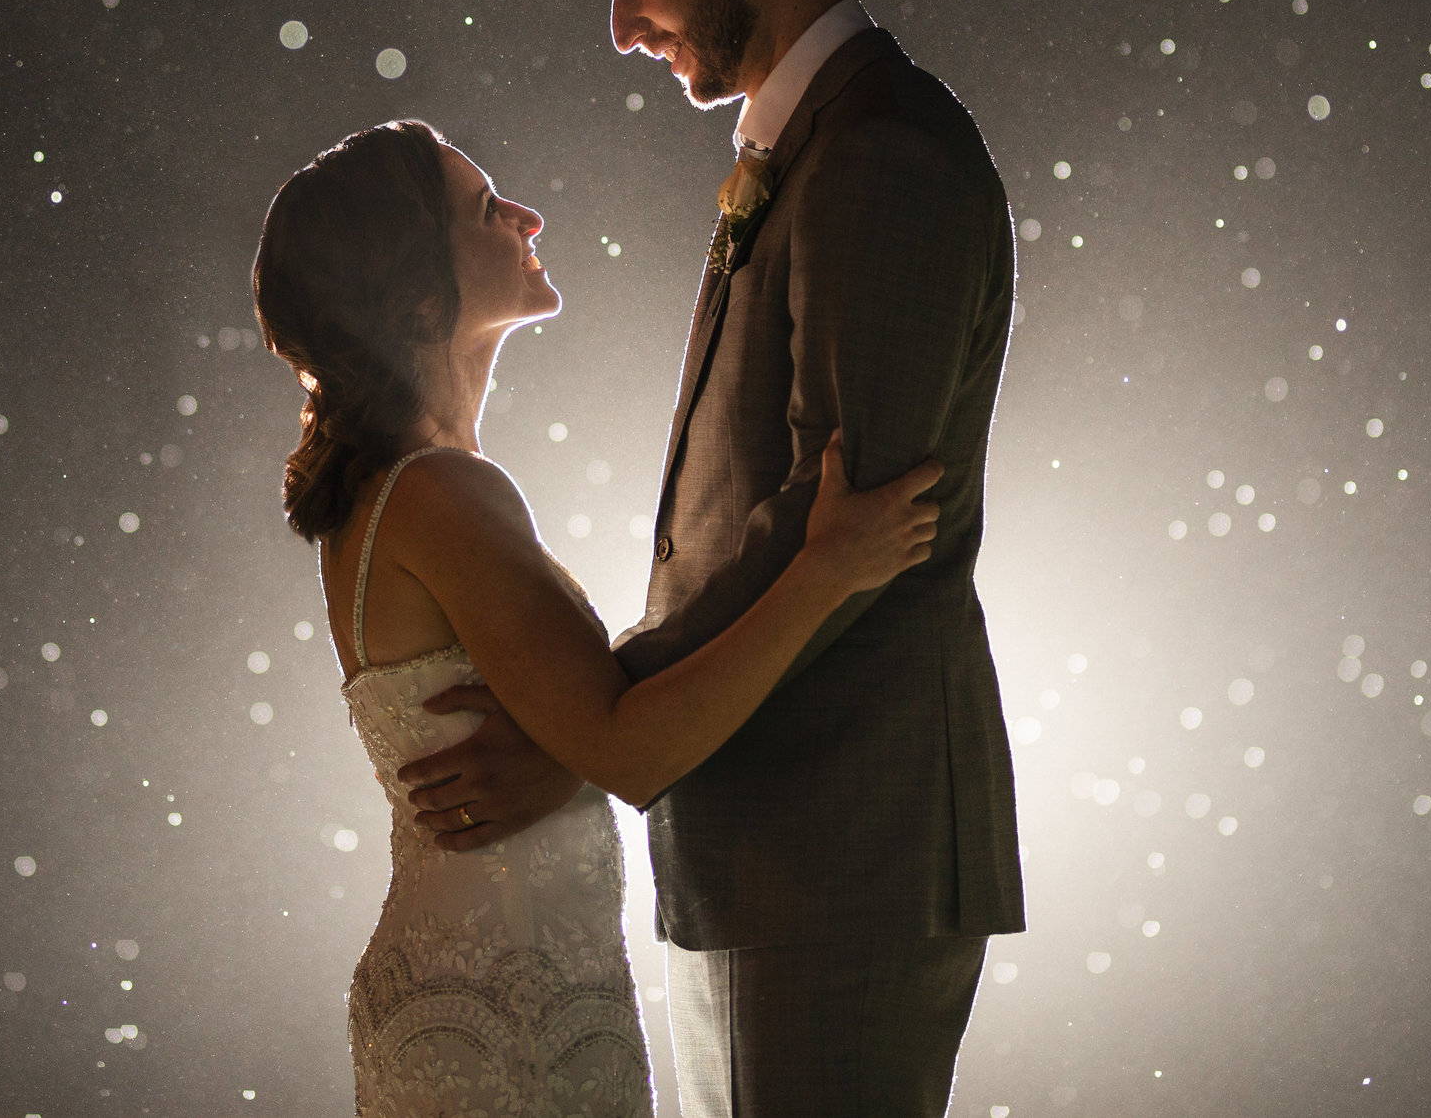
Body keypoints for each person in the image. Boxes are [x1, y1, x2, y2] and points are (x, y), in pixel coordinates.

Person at [393, 0, 1024, 1116]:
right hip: (776, 835)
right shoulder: (817, 147)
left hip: (836, 841)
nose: (622, 28)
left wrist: (589, 727)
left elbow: (841, 527)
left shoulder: (881, 155)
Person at [252, 118, 945, 1116]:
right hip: (505, 1005)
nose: (528, 215)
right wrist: (828, 567)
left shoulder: (391, 493)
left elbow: (580, 719)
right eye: (487, 210)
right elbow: (630, 749)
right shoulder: (442, 491)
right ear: (414, 291)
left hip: (487, 984)